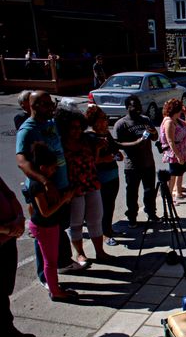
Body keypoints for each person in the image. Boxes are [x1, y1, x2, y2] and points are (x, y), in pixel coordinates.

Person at [16, 90, 85, 280]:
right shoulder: (27, 130)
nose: (51, 108)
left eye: (52, 104)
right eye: (46, 105)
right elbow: (22, 161)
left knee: (59, 228)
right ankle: (45, 277)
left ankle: (63, 263)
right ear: (34, 106)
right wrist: (45, 181)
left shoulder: (50, 124)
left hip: (62, 186)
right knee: (44, 234)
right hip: (45, 190)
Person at [56, 103, 113, 263]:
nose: (77, 130)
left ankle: (100, 251)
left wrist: (98, 149)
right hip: (74, 188)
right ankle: (80, 253)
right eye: (73, 128)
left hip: (91, 183)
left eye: (79, 127)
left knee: (95, 219)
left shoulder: (86, 140)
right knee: (76, 222)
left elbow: (93, 161)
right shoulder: (60, 144)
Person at [25, 143, 78, 301]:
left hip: (49, 226)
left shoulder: (44, 181)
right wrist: (64, 199)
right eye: (53, 168)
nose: (55, 170)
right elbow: (45, 212)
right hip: (44, 227)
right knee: (50, 262)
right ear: (42, 167)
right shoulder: (37, 185)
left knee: (51, 260)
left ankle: (55, 288)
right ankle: (55, 292)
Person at [0, 174, 38, 337]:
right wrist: (7, 228)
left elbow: (9, 194)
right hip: (6, 233)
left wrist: (20, 217)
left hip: (6, 241)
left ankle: (7, 332)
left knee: (3, 292)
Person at [114, 95, 160, 228]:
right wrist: (136, 143)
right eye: (134, 105)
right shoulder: (121, 124)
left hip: (148, 163)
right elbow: (117, 144)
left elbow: (155, 137)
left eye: (139, 105)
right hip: (132, 165)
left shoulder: (145, 120)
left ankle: (151, 212)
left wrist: (153, 132)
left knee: (149, 190)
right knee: (132, 192)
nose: (138, 108)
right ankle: (132, 216)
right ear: (127, 107)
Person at [85, 104, 124, 246]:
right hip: (100, 178)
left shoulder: (106, 134)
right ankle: (104, 234)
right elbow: (89, 161)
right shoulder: (90, 137)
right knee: (101, 207)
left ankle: (108, 229)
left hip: (113, 175)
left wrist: (118, 154)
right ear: (94, 121)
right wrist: (103, 158)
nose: (105, 121)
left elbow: (115, 149)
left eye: (105, 118)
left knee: (110, 205)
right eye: (102, 118)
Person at [159, 98, 186, 202]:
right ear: (175, 110)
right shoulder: (169, 122)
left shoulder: (177, 119)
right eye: (180, 111)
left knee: (180, 172)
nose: (180, 113)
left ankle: (178, 192)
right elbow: (170, 141)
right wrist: (178, 156)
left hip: (182, 150)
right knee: (173, 174)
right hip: (174, 152)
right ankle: (169, 197)